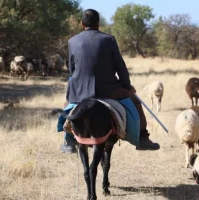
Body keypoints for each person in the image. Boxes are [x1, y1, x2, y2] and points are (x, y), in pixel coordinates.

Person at [61, 9, 160, 151]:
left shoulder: (72, 41)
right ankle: (142, 138)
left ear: (82, 24)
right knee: (136, 102)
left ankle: (68, 141)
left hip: (79, 91)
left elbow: (71, 68)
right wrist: (127, 86)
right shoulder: (109, 39)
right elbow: (121, 67)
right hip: (108, 91)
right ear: (98, 23)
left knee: (67, 106)